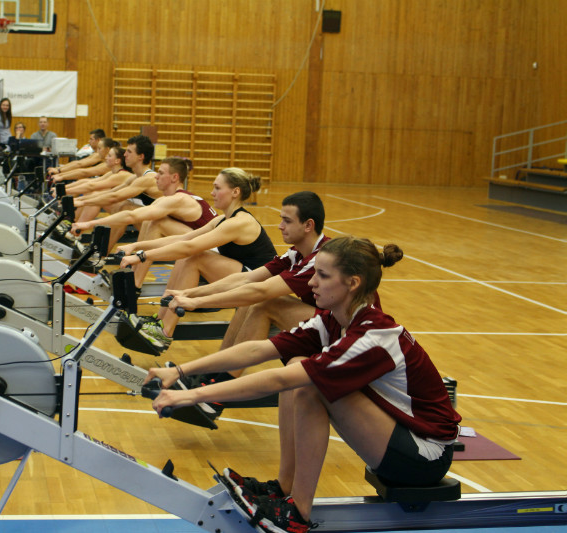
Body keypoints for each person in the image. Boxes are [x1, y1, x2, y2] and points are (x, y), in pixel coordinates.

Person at [146, 236, 461, 533]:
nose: (311, 283)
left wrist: (192, 395)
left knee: (308, 384)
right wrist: (180, 371)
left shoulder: (374, 335)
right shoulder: (333, 320)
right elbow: (258, 350)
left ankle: (298, 514)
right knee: (297, 363)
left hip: (425, 456)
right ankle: (284, 488)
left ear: (353, 283)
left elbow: (279, 380)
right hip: (397, 439)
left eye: (322, 275)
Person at [165, 192, 328, 379]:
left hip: (341, 331)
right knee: (250, 300)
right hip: (324, 321)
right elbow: (248, 279)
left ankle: (221, 384)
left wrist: (198, 302)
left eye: (287, 221)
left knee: (264, 302)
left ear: (308, 225)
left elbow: (262, 290)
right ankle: (215, 371)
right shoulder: (296, 253)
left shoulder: (321, 256)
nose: (280, 226)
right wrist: (190, 293)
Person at [119, 168, 276, 351]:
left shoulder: (240, 222)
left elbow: (190, 247)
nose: (212, 193)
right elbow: (183, 239)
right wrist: (136, 247)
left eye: (217, 188)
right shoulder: (221, 220)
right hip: (244, 277)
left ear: (235, 192)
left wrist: (142, 257)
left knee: (195, 257)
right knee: (188, 256)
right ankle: (159, 321)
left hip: (260, 284)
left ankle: (164, 332)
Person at [72, 157, 216, 286]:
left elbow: (131, 216)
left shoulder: (178, 199)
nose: (156, 177)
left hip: (213, 254)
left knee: (156, 222)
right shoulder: (169, 198)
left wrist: (89, 224)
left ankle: (134, 283)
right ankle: (132, 274)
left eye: (161, 173)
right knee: (149, 219)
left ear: (174, 177)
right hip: (199, 245)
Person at [71, 135, 162, 249]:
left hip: (162, 227)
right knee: (115, 204)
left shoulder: (147, 178)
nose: (125, 155)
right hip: (149, 221)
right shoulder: (134, 177)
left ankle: (99, 251)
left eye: (129, 152)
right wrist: (78, 199)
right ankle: (99, 249)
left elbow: (114, 196)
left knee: (124, 206)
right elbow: (109, 193)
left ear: (141, 156)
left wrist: (82, 202)